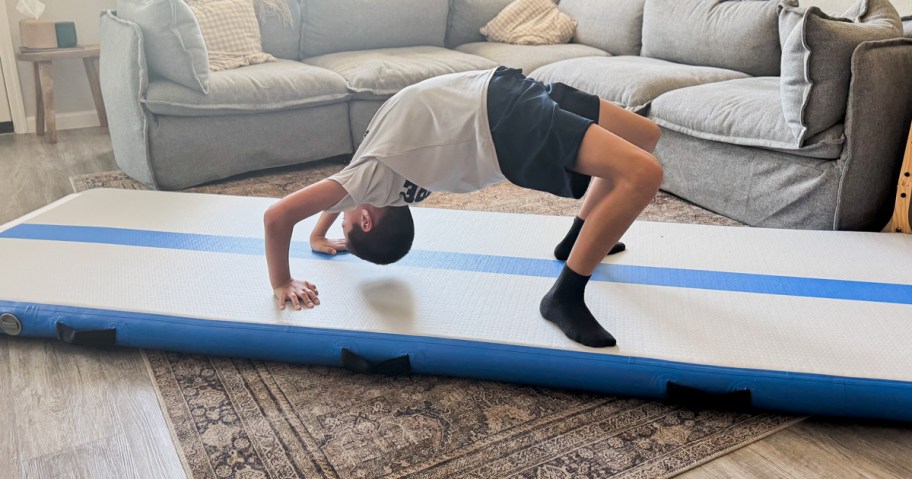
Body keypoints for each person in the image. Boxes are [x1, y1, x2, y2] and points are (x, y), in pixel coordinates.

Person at [264, 66, 662, 348]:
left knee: (643, 149)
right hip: (501, 104)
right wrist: (318, 233)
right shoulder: (374, 176)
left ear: (365, 218)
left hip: (503, 102)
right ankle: (572, 271)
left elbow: (277, 216)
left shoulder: (371, 177)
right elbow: (343, 192)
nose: (342, 209)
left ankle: (570, 269)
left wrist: (283, 281)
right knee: (643, 159)